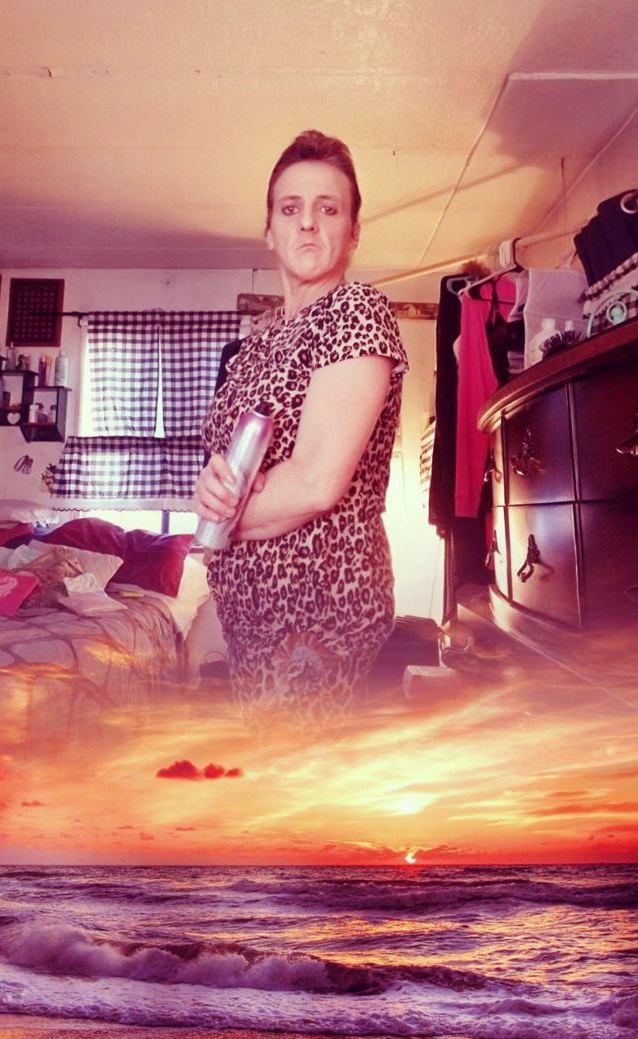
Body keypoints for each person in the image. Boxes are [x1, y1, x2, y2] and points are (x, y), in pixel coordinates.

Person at [194, 129, 408, 730]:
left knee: (296, 772)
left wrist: (216, 526)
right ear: (269, 229)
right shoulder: (256, 341)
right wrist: (209, 489)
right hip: (250, 610)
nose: (308, 223)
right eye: (291, 209)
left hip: (319, 607)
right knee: (268, 765)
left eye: (328, 209)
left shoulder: (356, 312)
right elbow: (230, 465)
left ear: (354, 230)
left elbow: (315, 483)